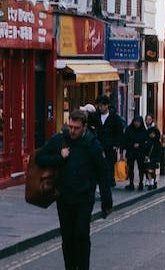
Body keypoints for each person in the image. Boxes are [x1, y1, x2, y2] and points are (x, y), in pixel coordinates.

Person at [34, 108, 113, 270]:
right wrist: (59, 157)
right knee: (68, 238)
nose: (72, 131)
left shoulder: (93, 145)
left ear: (84, 127)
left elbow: (103, 173)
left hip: (84, 198)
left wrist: (107, 201)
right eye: (70, 126)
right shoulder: (60, 140)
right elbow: (40, 158)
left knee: (81, 235)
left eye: (76, 128)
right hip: (64, 197)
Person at [94, 98, 125, 169]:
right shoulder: (96, 116)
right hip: (98, 146)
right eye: (99, 106)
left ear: (106, 105)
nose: (100, 108)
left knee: (109, 169)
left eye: (101, 106)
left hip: (110, 148)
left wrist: (117, 146)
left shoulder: (114, 118)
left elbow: (119, 133)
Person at [123, 110, 148, 190]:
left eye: (138, 122)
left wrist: (139, 145)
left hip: (140, 152)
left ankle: (141, 183)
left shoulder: (144, 131)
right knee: (131, 168)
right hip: (131, 151)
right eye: (135, 121)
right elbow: (125, 141)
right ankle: (131, 183)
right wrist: (132, 145)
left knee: (141, 168)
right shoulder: (129, 129)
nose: (136, 123)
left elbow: (146, 142)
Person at [142, 115, 165, 190]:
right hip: (146, 154)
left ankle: (152, 181)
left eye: (149, 119)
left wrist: (158, 159)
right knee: (147, 169)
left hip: (153, 154)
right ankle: (151, 181)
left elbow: (157, 142)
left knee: (151, 169)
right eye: (146, 119)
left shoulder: (154, 129)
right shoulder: (144, 128)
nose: (148, 121)